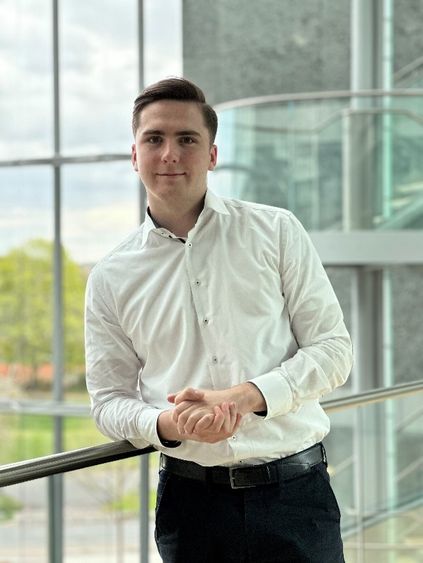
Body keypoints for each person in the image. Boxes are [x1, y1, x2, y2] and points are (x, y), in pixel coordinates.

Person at [85, 77, 353, 563]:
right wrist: (168, 423)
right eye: (154, 139)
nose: (170, 153)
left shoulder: (276, 231)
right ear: (134, 155)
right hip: (191, 509)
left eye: (187, 139)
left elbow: (334, 351)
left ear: (211, 155)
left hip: (297, 499)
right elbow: (108, 401)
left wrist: (244, 397)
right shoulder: (110, 276)